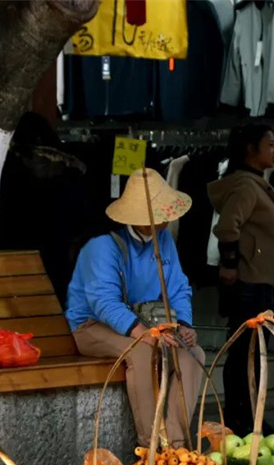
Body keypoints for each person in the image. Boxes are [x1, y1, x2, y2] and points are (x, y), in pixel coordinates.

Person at [65, 168, 205, 448]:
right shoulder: (102, 246)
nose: (165, 221)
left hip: (149, 323)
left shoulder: (163, 239)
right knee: (143, 351)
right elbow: (104, 302)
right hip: (92, 327)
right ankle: (150, 443)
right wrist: (143, 333)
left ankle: (176, 445)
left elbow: (178, 287)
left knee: (192, 352)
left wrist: (185, 326)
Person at [207, 124, 274, 436]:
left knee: (252, 352)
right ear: (251, 150)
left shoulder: (255, 184)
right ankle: (240, 419)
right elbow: (228, 227)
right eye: (270, 145)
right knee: (245, 353)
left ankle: (248, 417)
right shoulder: (246, 187)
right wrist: (230, 264)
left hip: (260, 278)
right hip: (248, 281)